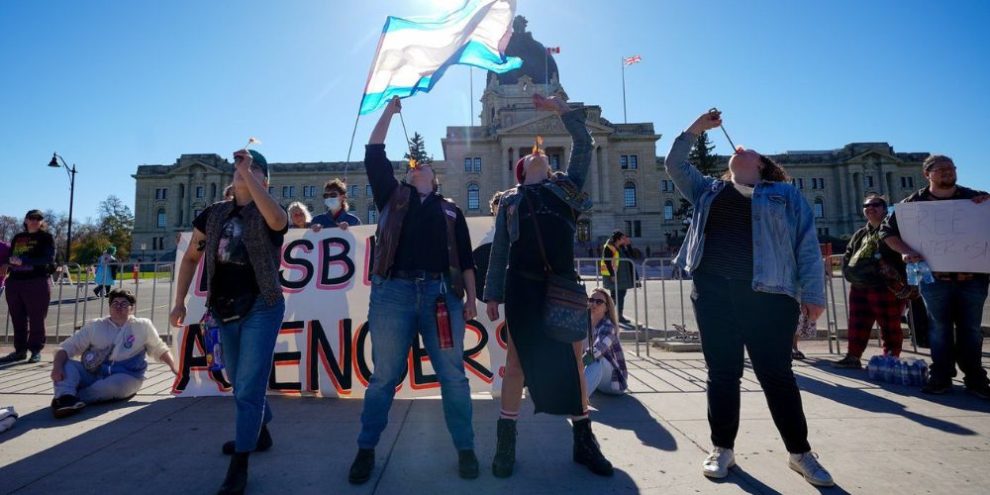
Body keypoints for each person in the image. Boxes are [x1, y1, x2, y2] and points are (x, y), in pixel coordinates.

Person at [666, 110, 833, 487]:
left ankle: (800, 452)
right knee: (722, 373)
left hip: (769, 296)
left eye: (752, 151)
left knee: (776, 375)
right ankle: (722, 448)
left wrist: (812, 294)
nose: (742, 150)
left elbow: (806, 244)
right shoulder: (708, 189)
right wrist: (696, 128)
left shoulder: (784, 195)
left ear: (761, 165)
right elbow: (674, 163)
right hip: (712, 292)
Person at [349, 96, 479, 484]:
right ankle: (366, 448)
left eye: (427, 166)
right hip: (394, 293)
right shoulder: (393, 196)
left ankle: (466, 448)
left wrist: (471, 298)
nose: (420, 165)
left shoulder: (451, 209)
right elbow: (374, 150)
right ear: (407, 176)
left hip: (442, 296)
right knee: (385, 375)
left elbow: (467, 261)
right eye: (415, 165)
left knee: (453, 376)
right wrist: (389, 111)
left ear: (436, 178)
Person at [485, 93, 614, 479]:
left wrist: (563, 112)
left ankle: (584, 442)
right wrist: (492, 293)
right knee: (517, 365)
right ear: (522, 171)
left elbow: (585, 145)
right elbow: (500, 251)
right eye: (533, 156)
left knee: (573, 362)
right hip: (523, 290)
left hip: (563, 286)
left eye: (543, 153)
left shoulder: (567, 191)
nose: (540, 152)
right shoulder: (511, 202)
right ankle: (505, 445)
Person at [170, 148, 289, 495]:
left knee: (249, 387)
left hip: (262, 307)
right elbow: (192, 257)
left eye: (253, 171)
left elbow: (279, 221)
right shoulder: (213, 215)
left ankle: (240, 466)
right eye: (238, 170)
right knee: (239, 381)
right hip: (224, 309)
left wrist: (248, 171)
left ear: (263, 179)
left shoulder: (268, 212)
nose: (243, 173)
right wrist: (179, 301)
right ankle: (259, 432)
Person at [879, 154, 990, 397]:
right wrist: (906, 252)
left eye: (951, 168)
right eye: (940, 169)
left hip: (972, 278)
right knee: (939, 328)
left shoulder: (976, 199)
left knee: (971, 329)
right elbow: (887, 233)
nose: (947, 172)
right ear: (927, 174)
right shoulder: (911, 204)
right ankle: (941, 375)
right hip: (935, 279)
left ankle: (975, 377)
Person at [50, 288, 177, 418]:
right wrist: (57, 367)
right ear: (109, 307)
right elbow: (66, 347)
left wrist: (174, 366)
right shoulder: (95, 326)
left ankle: (71, 398)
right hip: (94, 373)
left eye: (124, 304)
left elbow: (159, 348)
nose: (119, 307)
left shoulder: (143, 325)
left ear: (132, 308)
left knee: (113, 386)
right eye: (115, 303)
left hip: (127, 376)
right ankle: (65, 397)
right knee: (66, 365)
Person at [831, 195, 906, 368]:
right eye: (866, 205)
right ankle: (853, 356)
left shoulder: (894, 230)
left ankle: (890, 358)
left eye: (875, 205)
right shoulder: (860, 233)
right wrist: (849, 272)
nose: (870, 208)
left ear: (885, 208)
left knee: (889, 324)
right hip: (860, 285)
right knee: (857, 323)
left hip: (884, 285)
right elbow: (849, 254)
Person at [0, 210, 55, 365]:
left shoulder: (46, 237)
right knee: (18, 318)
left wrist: (23, 261)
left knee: (37, 318)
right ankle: (20, 351)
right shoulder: (18, 237)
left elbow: (48, 259)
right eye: (31, 218)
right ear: (26, 220)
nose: (34, 221)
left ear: (42, 221)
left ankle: (35, 351)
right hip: (15, 282)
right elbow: (10, 256)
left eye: (38, 218)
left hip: (36, 281)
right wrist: (8, 263)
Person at [583, 289, 628, 398]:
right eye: (591, 300)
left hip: (613, 383)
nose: (593, 304)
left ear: (606, 308)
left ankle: (579, 401)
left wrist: (580, 364)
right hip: (598, 381)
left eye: (599, 302)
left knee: (597, 358)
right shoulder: (584, 324)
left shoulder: (608, 327)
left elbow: (597, 350)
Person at [599, 230, 635, 325]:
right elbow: (607, 261)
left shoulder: (622, 247)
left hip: (623, 275)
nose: (625, 239)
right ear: (618, 239)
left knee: (622, 295)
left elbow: (632, 256)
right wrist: (612, 274)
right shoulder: (609, 247)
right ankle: (605, 315)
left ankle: (619, 315)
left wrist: (629, 245)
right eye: (623, 238)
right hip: (615, 275)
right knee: (614, 297)